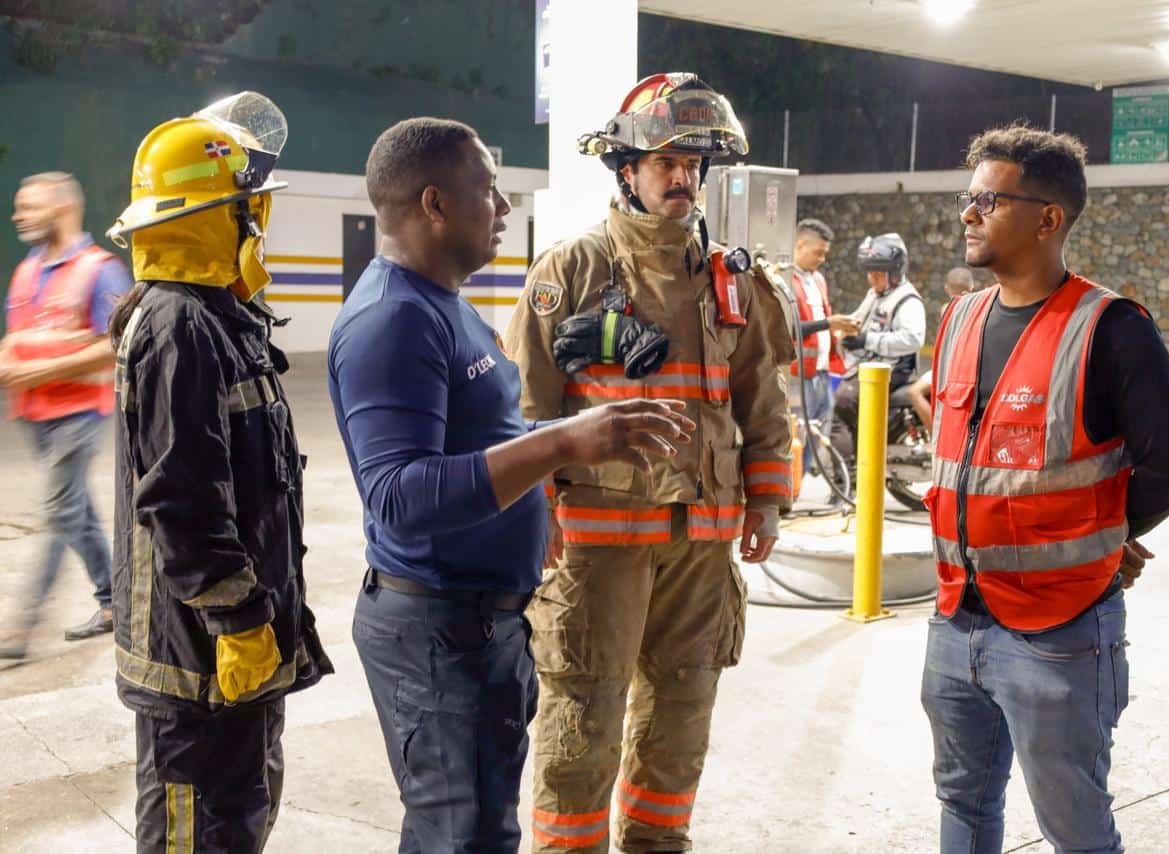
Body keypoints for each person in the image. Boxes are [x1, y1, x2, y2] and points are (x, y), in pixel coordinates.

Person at [328, 117, 692, 854]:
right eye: (488, 190)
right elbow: (399, 499)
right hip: (438, 633)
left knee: (473, 832)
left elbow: (480, 443)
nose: (503, 209)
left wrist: (536, 486)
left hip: (480, 624)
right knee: (460, 837)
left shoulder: (444, 304)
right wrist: (564, 440)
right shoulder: (392, 321)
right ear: (434, 204)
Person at [505, 72, 794, 853]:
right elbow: (526, 408)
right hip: (599, 541)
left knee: (683, 712)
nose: (683, 177)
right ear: (626, 169)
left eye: (694, 164)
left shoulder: (735, 281)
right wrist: (537, 516)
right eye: (666, 161)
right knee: (583, 717)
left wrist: (765, 503)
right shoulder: (571, 273)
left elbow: (761, 401)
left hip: (703, 542)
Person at [921, 124, 1169, 854]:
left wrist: (1099, 536)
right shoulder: (960, 318)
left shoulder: (1112, 328)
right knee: (963, 802)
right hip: (955, 619)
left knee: (1074, 828)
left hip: (1059, 634)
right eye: (967, 198)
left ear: (1048, 218)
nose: (967, 214)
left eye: (987, 199)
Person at [105, 92, 332, 852]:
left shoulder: (221, 317)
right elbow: (181, 503)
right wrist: (238, 621)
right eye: (246, 210)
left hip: (239, 656)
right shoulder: (178, 328)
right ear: (208, 218)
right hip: (198, 666)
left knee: (238, 826)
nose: (257, 224)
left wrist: (269, 627)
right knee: (195, 837)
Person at [0, 172, 130, 659]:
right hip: (35, 414)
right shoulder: (28, 271)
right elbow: (17, 335)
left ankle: (19, 628)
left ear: (62, 209)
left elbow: (116, 345)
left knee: (57, 514)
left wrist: (42, 368)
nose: (19, 216)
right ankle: (115, 601)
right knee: (74, 512)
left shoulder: (101, 271)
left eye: (29, 206)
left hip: (77, 414)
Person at [828, 232, 926, 465]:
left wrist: (867, 340)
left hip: (893, 372)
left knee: (843, 404)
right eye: (870, 273)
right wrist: (847, 330)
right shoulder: (876, 294)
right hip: (871, 367)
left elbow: (913, 339)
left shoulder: (907, 300)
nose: (872, 279)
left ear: (895, 274)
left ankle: (848, 477)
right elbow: (860, 319)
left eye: (878, 273)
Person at [785, 217, 857, 472]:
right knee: (796, 435)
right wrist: (829, 323)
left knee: (815, 437)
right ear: (800, 244)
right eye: (818, 253)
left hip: (822, 372)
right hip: (798, 375)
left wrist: (839, 330)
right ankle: (790, 493)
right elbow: (788, 327)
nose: (822, 259)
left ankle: (798, 487)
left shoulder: (817, 280)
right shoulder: (785, 280)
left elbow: (821, 323)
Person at [904, 266, 975, 431]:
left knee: (914, 392)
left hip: (953, 371)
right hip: (972, 370)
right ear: (972, 287)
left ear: (947, 289)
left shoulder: (948, 308)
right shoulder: (982, 307)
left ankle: (935, 434)